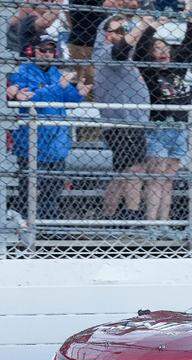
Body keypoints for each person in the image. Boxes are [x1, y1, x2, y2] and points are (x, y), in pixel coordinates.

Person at [9, 35, 89, 221]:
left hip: (57, 144)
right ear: (33, 51)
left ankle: (48, 228)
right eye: (42, 50)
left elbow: (67, 98)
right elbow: (30, 99)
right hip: (32, 143)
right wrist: (57, 87)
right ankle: (29, 226)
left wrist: (79, 94)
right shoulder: (22, 72)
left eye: (50, 50)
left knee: (52, 191)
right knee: (30, 191)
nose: (46, 54)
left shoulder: (55, 73)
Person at [135, 17, 192, 228]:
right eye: (157, 49)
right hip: (158, 126)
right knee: (156, 177)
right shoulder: (148, 71)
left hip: (179, 128)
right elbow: (139, 51)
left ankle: (164, 222)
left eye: (165, 48)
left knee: (169, 180)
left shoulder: (177, 69)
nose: (163, 52)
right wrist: (152, 27)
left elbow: (189, 46)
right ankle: (150, 223)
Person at [94, 14, 148, 225]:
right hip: (121, 122)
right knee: (134, 169)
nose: (120, 35)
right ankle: (132, 215)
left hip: (133, 121)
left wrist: (149, 27)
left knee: (123, 172)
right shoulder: (106, 52)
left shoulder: (124, 56)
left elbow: (130, 47)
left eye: (122, 31)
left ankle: (108, 215)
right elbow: (121, 49)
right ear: (105, 34)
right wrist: (142, 25)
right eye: (115, 31)